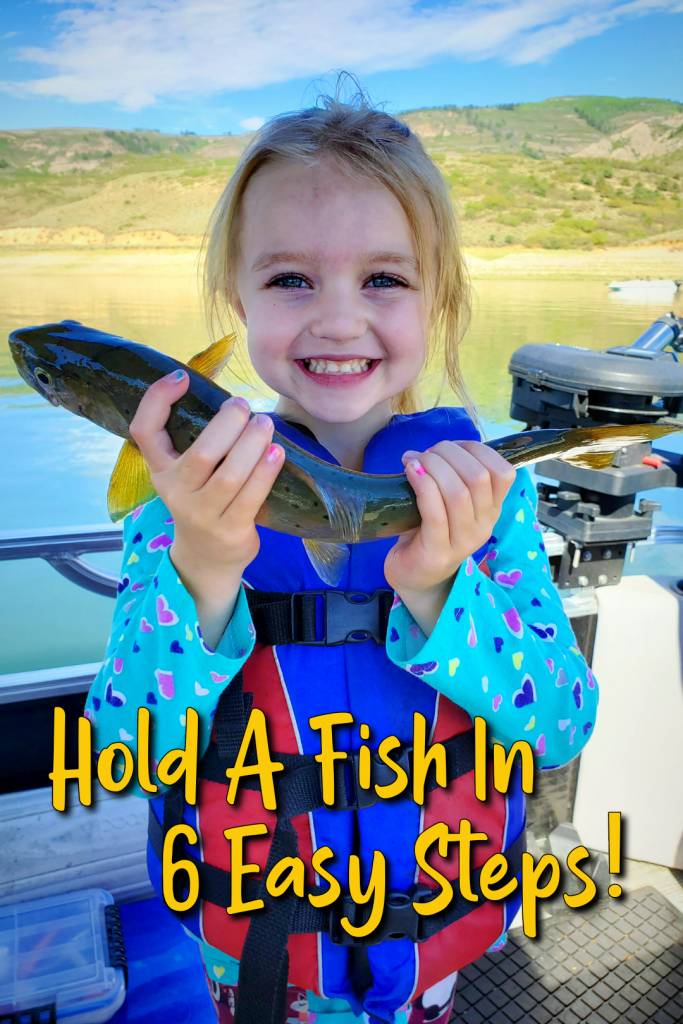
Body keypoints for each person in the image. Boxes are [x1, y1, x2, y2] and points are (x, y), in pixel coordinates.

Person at [85, 86, 598, 1024]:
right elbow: (126, 752)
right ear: (232, 299)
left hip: (427, 953)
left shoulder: (492, 496)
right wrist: (201, 568)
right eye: (289, 280)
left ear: (439, 298)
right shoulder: (180, 503)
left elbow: (560, 725)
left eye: (383, 280)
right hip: (262, 966)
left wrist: (445, 590)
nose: (335, 319)